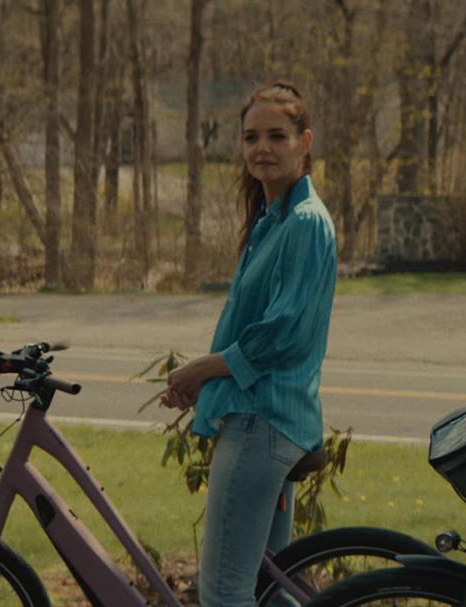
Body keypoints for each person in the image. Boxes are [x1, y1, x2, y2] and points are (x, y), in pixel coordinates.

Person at [163, 81, 337, 607]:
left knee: (224, 593)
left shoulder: (304, 223)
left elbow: (283, 334)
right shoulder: (271, 219)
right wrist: (208, 382)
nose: (262, 148)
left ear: (305, 142)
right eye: (251, 137)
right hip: (266, 417)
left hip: (264, 424)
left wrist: (203, 369)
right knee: (269, 591)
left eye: (277, 136)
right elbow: (254, 329)